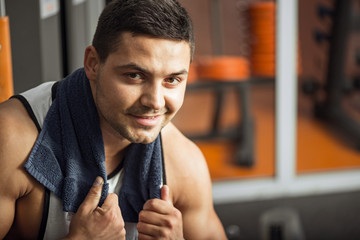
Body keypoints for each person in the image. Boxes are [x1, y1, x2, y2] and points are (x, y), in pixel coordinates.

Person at [0, 0, 227, 239]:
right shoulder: (12, 140)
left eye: (172, 80)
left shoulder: (184, 163)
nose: (156, 102)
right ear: (93, 64)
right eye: (135, 75)